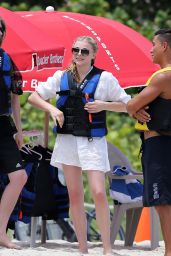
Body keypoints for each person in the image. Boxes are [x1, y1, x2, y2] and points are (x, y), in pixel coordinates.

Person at [28, 36, 131, 255]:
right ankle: (82, 247)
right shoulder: (60, 76)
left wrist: (104, 105)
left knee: (98, 192)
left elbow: (127, 105)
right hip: (67, 142)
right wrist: (53, 110)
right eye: (76, 50)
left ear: (94, 54)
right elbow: (33, 98)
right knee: (75, 195)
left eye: (84, 51)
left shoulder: (105, 78)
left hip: (92, 142)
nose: (79, 54)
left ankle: (106, 248)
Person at [126, 28, 171, 256]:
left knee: (163, 200)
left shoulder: (164, 76)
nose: (150, 48)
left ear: (164, 46)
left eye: (154, 43)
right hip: (162, 144)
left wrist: (137, 108)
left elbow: (131, 105)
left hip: (160, 145)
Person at [0, 17, 27, 249]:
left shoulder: (7, 59)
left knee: (19, 177)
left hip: (3, 126)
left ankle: (1, 232)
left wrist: (19, 131)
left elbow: (15, 99)